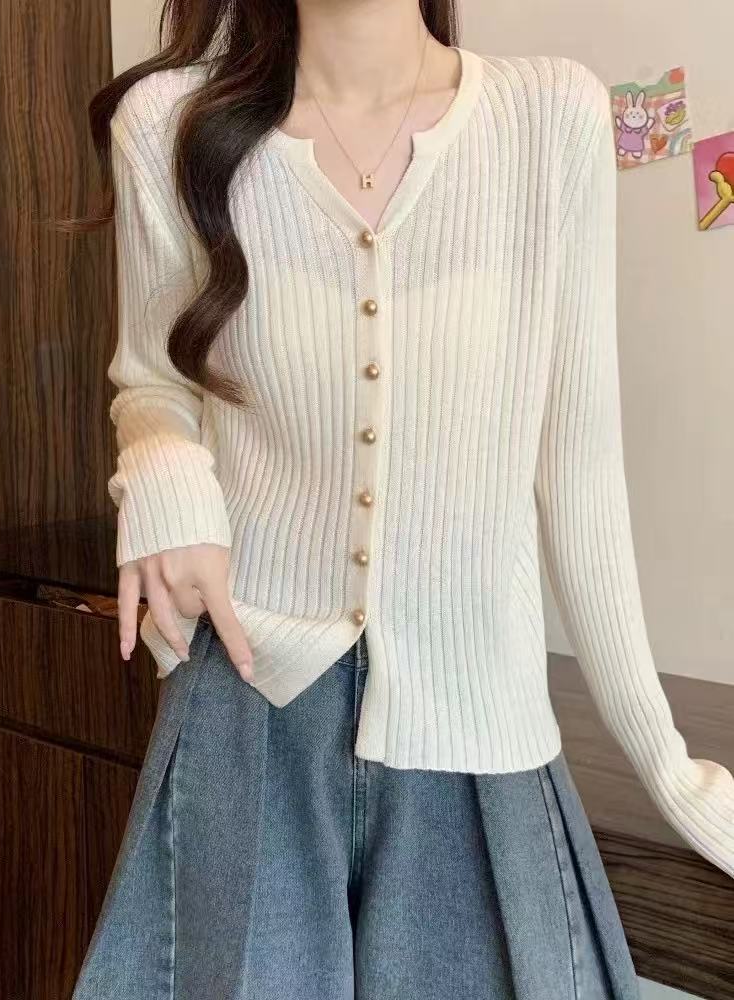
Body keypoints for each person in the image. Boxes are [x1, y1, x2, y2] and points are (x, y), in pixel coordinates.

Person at [72, 1, 734, 997]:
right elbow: (153, 379)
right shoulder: (168, 123)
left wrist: (672, 774)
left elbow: (579, 464)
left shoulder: (548, 117)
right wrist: (164, 475)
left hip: (477, 724)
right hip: (250, 698)